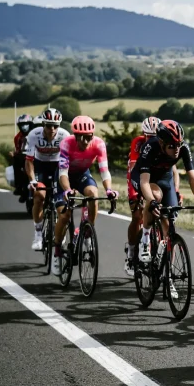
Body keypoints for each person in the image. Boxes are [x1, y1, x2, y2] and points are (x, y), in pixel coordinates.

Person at [51, 116, 118, 276]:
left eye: (89, 137)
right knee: (64, 215)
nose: (85, 141)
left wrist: (109, 190)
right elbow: (63, 173)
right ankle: (57, 251)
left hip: (82, 174)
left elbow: (104, 170)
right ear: (75, 136)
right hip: (63, 178)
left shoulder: (99, 144)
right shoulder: (67, 143)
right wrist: (67, 190)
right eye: (81, 137)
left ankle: (86, 233)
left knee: (93, 195)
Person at [133, 120, 194, 266]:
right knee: (155, 197)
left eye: (179, 144)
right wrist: (152, 202)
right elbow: (144, 182)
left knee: (170, 221)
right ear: (161, 143)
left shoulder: (183, 148)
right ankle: (145, 239)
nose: (177, 149)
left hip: (165, 179)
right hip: (144, 178)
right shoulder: (150, 147)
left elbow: (192, 176)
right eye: (172, 146)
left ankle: (168, 273)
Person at [123, 116, 181, 276]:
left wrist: (176, 190)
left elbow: (173, 171)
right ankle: (131, 253)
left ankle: (164, 259)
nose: (152, 139)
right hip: (139, 177)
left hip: (158, 180)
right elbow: (136, 170)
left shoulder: (168, 146)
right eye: (149, 136)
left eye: (154, 135)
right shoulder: (140, 143)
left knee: (166, 217)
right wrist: (136, 196)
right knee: (136, 216)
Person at [24, 108, 69, 252]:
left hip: (57, 167)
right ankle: (38, 234)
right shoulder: (33, 135)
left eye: (56, 125)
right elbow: (29, 161)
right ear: (43, 124)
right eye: (49, 125)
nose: (52, 129)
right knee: (39, 196)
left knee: (62, 199)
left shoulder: (64, 136)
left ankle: (60, 227)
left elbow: (68, 162)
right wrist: (32, 180)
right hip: (40, 166)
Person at [12, 114, 34, 200]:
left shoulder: (36, 133)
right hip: (24, 156)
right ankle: (19, 187)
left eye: (26, 124)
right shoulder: (17, 137)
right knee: (15, 159)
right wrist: (15, 154)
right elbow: (18, 149)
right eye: (21, 125)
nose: (24, 127)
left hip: (37, 156)